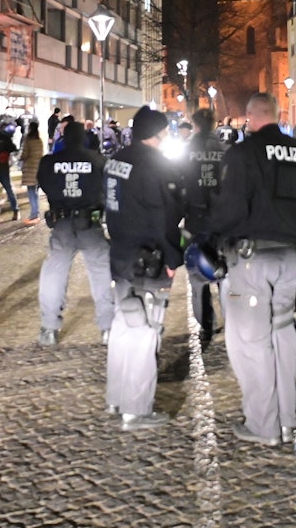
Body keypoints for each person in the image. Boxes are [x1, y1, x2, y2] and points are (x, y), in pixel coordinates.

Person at [212, 93, 296, 446]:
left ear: (250, 117)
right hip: (289, 261)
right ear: (277, 116)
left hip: (251, 261)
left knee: (250, 342)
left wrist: (211, 240)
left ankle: (263, 425)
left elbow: (229, 209)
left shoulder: (243, 153)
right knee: (283, 335)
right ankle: (286, 419)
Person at [103, 106, 184, 432]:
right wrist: (171, 259)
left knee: (124, 325)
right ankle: (136, 409)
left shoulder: (116, 160)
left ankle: (117, 397)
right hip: (148, 258)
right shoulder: (155, 164)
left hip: (121, 252)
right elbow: (162, 216)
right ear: (157, 133)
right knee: (144, 333)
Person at [35, 120, 113, 346]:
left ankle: (49, 328)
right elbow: (108, 188)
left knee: (54, 274)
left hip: (62, 223)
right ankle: (107, 327)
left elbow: (44, 184)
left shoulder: (49, 162)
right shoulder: (98, 160)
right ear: (84, 138)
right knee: (101, 273)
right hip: (91, 223)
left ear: (63, 138)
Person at [183, 107, 227, 350]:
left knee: (198, 276)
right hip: (221, 221)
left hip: (196, 219)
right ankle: (231, 322)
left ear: (195, 124)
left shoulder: (186, 150)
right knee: (225, 275)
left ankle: (206, 326)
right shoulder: (225, 150)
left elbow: (178, 183)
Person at [17, 119, 45, 223]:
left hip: (29, 169)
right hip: (38, 168)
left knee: (31, 192)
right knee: (36, 192)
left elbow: (24, 154)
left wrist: (20, 158)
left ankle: (34, 214)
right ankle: (36, 213)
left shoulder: (28, 140)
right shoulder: (39, 140)